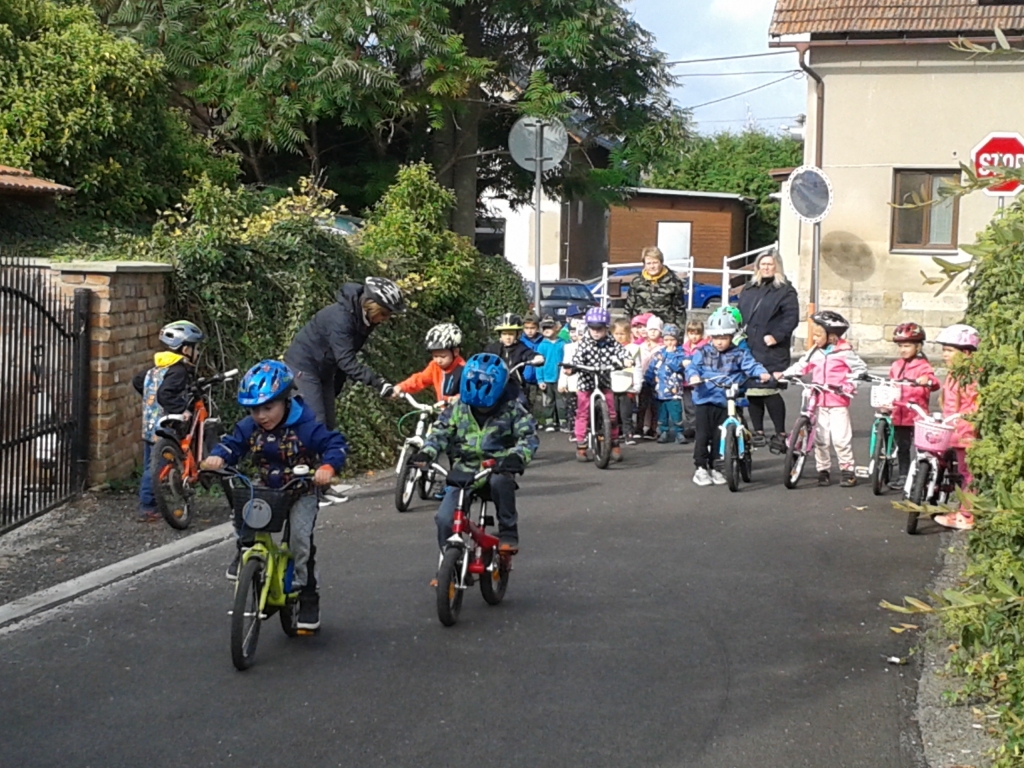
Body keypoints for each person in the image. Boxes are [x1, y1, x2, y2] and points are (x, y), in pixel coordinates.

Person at [202, 360, 348, 631]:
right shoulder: (250, 427)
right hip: (268, 486)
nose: (261, 416)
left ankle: (306, 594)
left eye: (268, 407)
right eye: (254, 409)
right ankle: (245, 551)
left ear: (285, 400)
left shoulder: (305, 425)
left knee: (300, 540)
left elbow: (334, 443)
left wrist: (328, 467)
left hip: (301, 489)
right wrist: (218, 456)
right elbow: (233, 444)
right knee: (245, 511)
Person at [409, 353, 539, 557]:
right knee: (444, 519)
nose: (481, 409)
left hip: (497, 466)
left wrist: (517, 456)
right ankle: (448, 562)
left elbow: (528, 436)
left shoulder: (513, 409)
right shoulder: (458, 408)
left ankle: (508, 531)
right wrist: (426, 453)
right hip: (464, 470)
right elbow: (440, 432)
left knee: (501, 483)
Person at [284, 276, 405, 431]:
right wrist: (378, 383)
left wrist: (337, 385)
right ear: (371, 305)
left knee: (328, 427)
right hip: (303, 366)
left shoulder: (364, 320)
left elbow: (346, 354)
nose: (385, 319)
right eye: (384, 313)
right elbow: (346, 361)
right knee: (315, 424)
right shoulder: (342, 319)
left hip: (324, 370)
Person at [781, 311, 867, 488]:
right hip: (818, 400)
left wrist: (850, 385)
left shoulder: (845, 352)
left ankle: (847, 470)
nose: (814, 339)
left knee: (841, 439)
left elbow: (860, 370)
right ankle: (823, 470)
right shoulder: (815, 351)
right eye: (813, 335)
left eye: (818, 335)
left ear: (832, 336)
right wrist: (785, 375)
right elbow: (803, 365)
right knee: (820, 438)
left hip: (838, 401)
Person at [132, 320, 205, 522]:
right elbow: (165, 394)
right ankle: (147, 506)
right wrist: (181, 409)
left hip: (150, 425)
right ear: (185, 349)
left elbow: (138, 381)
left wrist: (150, 400)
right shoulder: (179, 370)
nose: (197, 353)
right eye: (195, 348)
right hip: (167, 425)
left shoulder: (158, 367)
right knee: (155, 468)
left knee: (150, 464)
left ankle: (150, 503)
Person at [687, 311, 770, 486]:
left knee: (720, 435)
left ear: (732, 337)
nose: (719, 342)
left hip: (727, 399)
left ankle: (717, 467)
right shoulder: (703, 352)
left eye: (724, 338)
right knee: (703, 435)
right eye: (716, 338)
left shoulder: (739, 353)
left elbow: (751, 365)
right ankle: (700, 467)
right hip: (705, 398)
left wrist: (761, 373)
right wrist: (694, 376)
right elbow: (693, 367)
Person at [736, 250, 800, 453]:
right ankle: (758, 431)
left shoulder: (785, 291)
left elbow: (791, 318)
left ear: (777, 266)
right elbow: (739, 313)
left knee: (769, 389)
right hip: (750, 345)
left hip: (772, 348)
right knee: (753, 390)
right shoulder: (749, 288)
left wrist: (776, 335)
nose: (766, 268)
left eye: (770, 264)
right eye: (762, 264)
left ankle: (780, 433)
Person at [932, 324, 981, 531]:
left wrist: (962, 422)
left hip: (965, 431)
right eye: (944, 350)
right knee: (963, 471)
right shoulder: (955, 373)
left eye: (950, 350)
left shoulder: (971, 376)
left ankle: (967, 515)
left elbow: (973, 405)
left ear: (966, 352)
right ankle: (964, 510)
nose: (945, 355)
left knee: (969, 473)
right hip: (955, 430)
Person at [569, 307, 631, 463]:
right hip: (586, 381)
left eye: (600, 329)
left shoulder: (610, 340)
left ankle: (614, 442)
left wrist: (626, 359)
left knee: (611, 413)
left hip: (603, 381)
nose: (596, 332)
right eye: (593, 328)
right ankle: (581, 444)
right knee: (582, 412)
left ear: (606, 328)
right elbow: (576, 358)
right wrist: (571, 368)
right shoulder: (585, 342)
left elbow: (621, 351)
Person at [885, 323, 940, 490]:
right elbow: (891, 384)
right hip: (899, 413)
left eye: (907, 346)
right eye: (900, 346)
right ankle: (903, 476)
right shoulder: (896, 365)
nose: (903, 350)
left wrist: (926, 380)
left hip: (916, 413)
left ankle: (922, 475)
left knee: (922, 448)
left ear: (918, 347)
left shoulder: (923, 366)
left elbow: (933, 382)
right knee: (902, 447)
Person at [393, 323, 466, 403]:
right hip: (443, 408)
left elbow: (469, 391)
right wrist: (401, 387)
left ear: (455, 352)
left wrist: (458, 398)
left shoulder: (463, 370)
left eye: (443, 356)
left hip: (460, 409)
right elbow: (420, 379)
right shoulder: (434, 366)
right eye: (435, 356)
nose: (438, 360)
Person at [623, 246, 687, 328]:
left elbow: (679, 311)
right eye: (648, 263)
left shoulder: (674, 282)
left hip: (665, 327)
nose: (652, 266)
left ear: (661, 262)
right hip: (641, 327)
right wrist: (628, 329)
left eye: (655, 263)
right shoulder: (637, 282)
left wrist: (678, 332)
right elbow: (628, 309)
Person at [645, 324, 689, 444]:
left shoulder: (680, 354)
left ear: (677, 340)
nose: (669, 343)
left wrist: (668, 356)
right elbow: (652, 368)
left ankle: (679, 433)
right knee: (662, 414)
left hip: (674, 391)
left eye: (672, 340)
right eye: (666, 340)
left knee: (676, 413)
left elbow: (678, 367)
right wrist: (648, 380)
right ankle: (663, 431)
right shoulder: (659, 354)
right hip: (660, 391)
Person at [485, 313, 544, 395]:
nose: (507, 337)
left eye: (511, 334)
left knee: (522, 401)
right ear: (500, 335)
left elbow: (529, 353)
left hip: (514, 386)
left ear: (517, 335)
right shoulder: (493, 348)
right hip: (494, 385)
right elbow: (483, 360)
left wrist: (537, 357)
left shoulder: (520, 348)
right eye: (504, 334)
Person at [634, 315, 664, 440]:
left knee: (654, 406)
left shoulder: (662, 348)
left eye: (656, 330)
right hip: (643, 378)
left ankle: (653, 428)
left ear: (660, 332)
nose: (652, 332)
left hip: (657, 380)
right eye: (650, 329)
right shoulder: (641, 346)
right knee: (642, 405)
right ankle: (639, 427)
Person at [611, 318, 641, 444]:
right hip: (612, 385)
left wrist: (637, 385)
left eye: (622, 334)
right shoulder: (608, 349)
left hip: (627, 385)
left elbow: (637, 368)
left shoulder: (633, 349)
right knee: (613, 412)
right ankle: (615, 434)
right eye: (616, 334)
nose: (619, 337)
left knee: (626, 413)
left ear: (629, 334)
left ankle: (628, 433)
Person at [537, 316, 567, 432]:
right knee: (549, 401)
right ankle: (549, 421)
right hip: (547, 378)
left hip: (560, 378)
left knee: (561, 401)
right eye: (544, 328)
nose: (547, 330)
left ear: (556, 328)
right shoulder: (542, 345)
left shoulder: (563, 343)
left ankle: (563, 421)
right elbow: (538, 364)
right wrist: (540, 379)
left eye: (549, 327)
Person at [680, 319, 708, 442]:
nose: (694, 336)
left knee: (699, 406)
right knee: (688, 406)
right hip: (686, 382)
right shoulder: (684, 347)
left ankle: (700, 428)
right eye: (691, 333)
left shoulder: (705, 347)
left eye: (697, 333)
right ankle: (692, 426)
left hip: (699, 382)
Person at [558, 318, 584, 440]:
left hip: (589, 384)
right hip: (573, 383)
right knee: (573, 409)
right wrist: (562, 383)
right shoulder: (569, 347)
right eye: (578, 333)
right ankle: (574, 430)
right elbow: (565, 365)